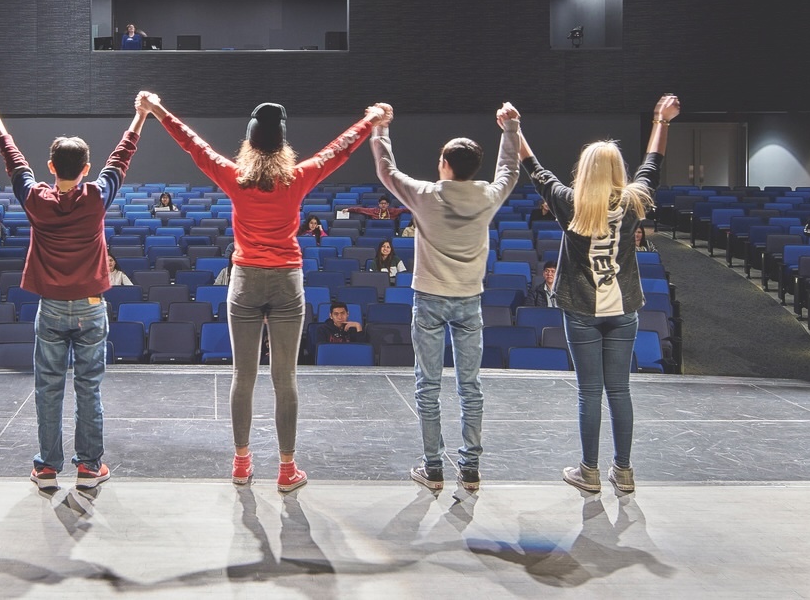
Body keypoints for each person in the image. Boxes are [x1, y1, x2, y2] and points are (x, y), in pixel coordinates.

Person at [144, 93, 377, 492]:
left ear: (248, 144)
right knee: (285, 378)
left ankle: (241, 463)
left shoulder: (234, 176)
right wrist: (370, 120)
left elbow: (192, 145)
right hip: (287, 280)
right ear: (283, 144)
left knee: (243, 375)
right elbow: (338, 151)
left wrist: (158, 110)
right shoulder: (299, 177)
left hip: (246, 280)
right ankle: (286, 470)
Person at [0, 89, 145, 491]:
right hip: (92, 308)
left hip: (52, 309)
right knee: (89, 388)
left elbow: (13, 159)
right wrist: (140, 116)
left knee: (48, 389)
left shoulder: (36, 200)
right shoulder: (96, 198)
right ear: (86, 168)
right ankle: (90, 467)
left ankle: (47, 467)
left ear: (51, 166)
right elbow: (121, 158)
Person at [524, 93, 677, 498]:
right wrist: (661, 120)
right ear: (617, 170)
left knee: (590, 392)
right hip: (623, 308)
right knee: (620, 391)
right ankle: (623, 472)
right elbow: (652, 165)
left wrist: (513, 129)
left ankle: (589, 472)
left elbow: (535, 171)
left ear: (584, 170)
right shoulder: (633, 201)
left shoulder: (570, 204)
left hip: (581, 311)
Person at [373, 100, 523, 494]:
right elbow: (510, 169)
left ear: (444, 163)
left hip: (429, 300)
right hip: (469, 300)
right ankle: (470, 469)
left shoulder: (426, 195)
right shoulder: (489, 196)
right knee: (470, 386)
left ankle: (433, 467)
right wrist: (510, 128)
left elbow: (387, 171)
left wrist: (382, 129)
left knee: (428, 384)